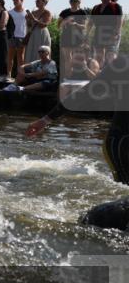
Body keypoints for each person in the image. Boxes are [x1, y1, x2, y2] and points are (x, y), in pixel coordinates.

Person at [26, 55, 128, 230]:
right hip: (122, 144)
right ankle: (89, 228)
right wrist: (47, 119)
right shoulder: (123, 64)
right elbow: (86, 93)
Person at [90, 0, 123, 68]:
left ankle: (112, 75)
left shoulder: (116, 6)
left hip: (112, 34)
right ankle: (99, 75)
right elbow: (90, 22)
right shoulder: (96, 8)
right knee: (99, 56)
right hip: (99, 34)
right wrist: (86, 34)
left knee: (111, 56)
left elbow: (120, 21)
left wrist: (116, 33)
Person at [57, 0, 89, 68]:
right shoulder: (64, 12)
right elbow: (59, 25)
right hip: (66, 37)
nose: (73, 2)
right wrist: (65, 21)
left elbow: (84, 27)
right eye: (71, 1)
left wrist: (76, 24)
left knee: (78, 58)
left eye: (75, 1)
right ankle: (67, 76)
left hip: (78, 38)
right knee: (67, 58)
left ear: (79, 2)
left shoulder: (82, 12)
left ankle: (77, 75)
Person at [24, 0, 53, 64]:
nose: (36, 2)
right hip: (33, 34)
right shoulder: (33, 12)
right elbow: (30, 25)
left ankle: (43, 71)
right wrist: (28, 20)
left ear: (44, 2)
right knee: (31, 52)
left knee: (42, 52)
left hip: (42, 34)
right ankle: (31, 71)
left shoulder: (47, 12)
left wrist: (33, 19)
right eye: (36, 1)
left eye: (38, 1)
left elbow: (44, 25)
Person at [7, 0, 27, 78]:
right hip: (12, 36)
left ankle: (20, 76)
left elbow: (30, 24)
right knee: (10, 57)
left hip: (22, 37)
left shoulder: (27, 12)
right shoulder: (9, 12)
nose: (15, 1)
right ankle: (8, 75)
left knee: (21, 58)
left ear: (22, 0)